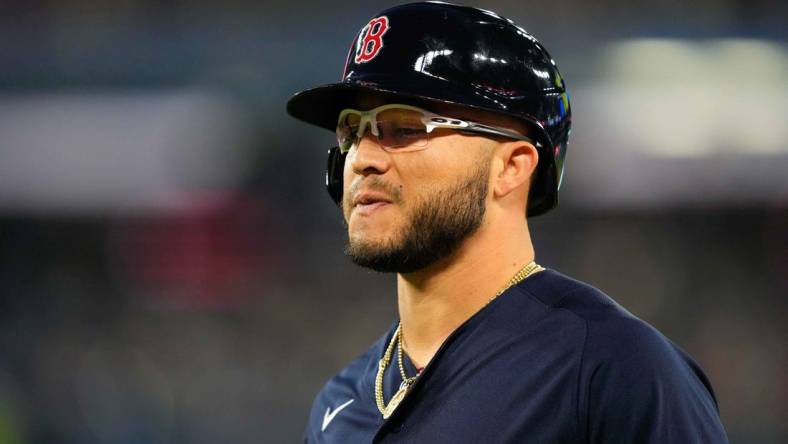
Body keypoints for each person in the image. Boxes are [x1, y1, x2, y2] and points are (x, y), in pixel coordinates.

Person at [286, 2, 729, 443]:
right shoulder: (338, 404)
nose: (362, 159)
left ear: (512, 167)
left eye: (404, 128)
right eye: (352, 131)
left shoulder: (610, 369)